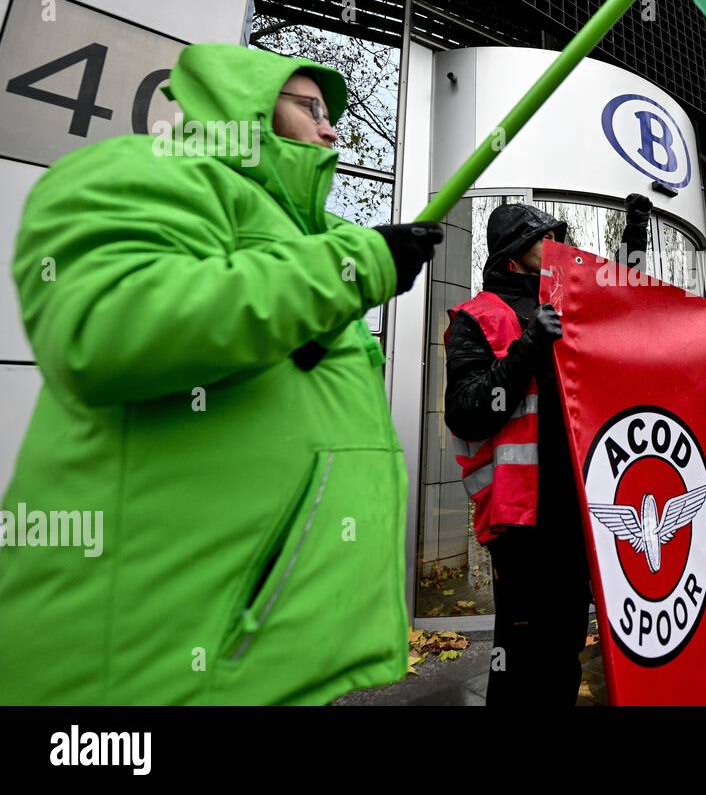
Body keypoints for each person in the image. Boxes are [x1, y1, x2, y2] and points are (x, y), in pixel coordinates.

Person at [0, 43, 441, 704]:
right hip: (142, 675)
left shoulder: (308, 241)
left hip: (269, 667)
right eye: (310, 107)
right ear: (250, 106)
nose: (330, 128)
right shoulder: (149, 170)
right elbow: (103, 324)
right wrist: (351, 267)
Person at [444, 194, 649, 705]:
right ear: (513, 254)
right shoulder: (478, 317)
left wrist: (636, 233)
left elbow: (626, 300)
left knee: (564, 648)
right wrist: (528, 347)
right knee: (520, 652)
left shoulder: (567, 305)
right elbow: (467, 410)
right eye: (544, 237)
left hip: (576, 509)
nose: (556, 245)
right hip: (520, 521)